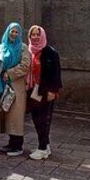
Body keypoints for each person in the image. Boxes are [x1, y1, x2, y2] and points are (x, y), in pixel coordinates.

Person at [0, 21, 30, 156]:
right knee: (7, 115)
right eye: (12, 31)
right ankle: (10, 143)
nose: (14, 34)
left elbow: (26, 65)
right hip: (2, 86)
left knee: (16, 116)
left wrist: (9, 73)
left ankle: (18, 145)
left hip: (16, 86)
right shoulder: (2, 47)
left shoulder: (22, 48)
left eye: (16, 32)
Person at [26, 25, 62, 160]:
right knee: (36, 118)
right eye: (32, 35)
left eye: (37, 34)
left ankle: (42, 148)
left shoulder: (50, 52)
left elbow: (56, 73)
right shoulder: (28, 51)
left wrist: (53, 90)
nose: (35, 37)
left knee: (44, 119)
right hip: (32, 90)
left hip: (45, 91)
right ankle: (45, 146)